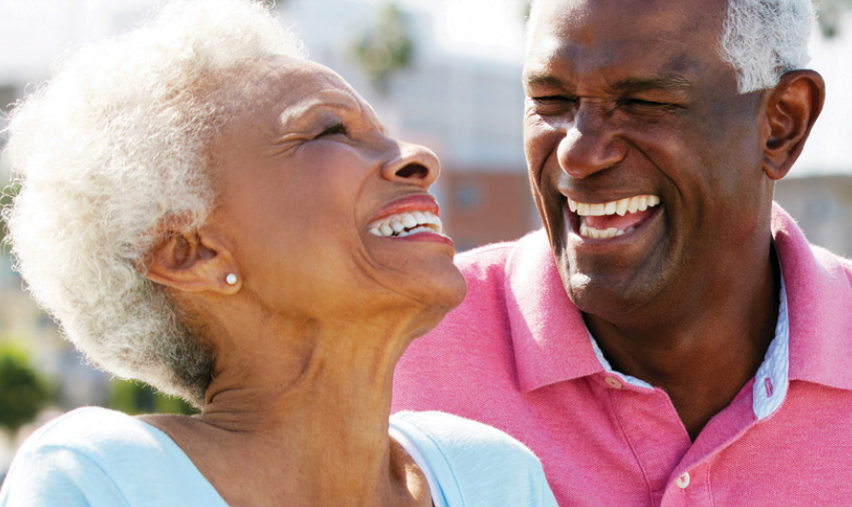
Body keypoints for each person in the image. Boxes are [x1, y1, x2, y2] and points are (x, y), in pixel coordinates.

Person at [0, 1, 559, 506]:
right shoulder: (104, 480)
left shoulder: (495, 476)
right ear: (192, 253)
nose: (418, 159)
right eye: (329, 131)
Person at [393, 0, 852, 505]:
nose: (577, 153)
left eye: (644, 102)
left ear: (782, 123)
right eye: (550, 100)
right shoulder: (396, 349)